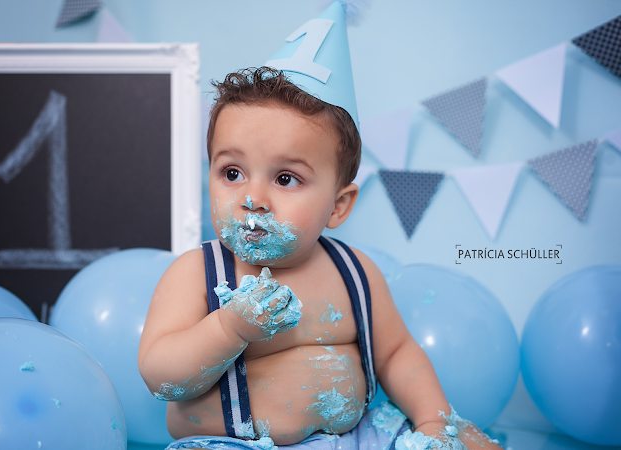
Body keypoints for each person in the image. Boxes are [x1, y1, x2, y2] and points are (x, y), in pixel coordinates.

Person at [138, 67, 502, 450]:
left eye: (285, 179)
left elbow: (396, 354)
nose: (253, 198)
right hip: (232, 443)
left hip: (356, 437)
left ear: (338, 206)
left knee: (468, 441)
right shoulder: (199, 273)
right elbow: (161, 376)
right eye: (232, 172)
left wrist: (431, 421)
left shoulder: (354, 272)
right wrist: (229, 329)